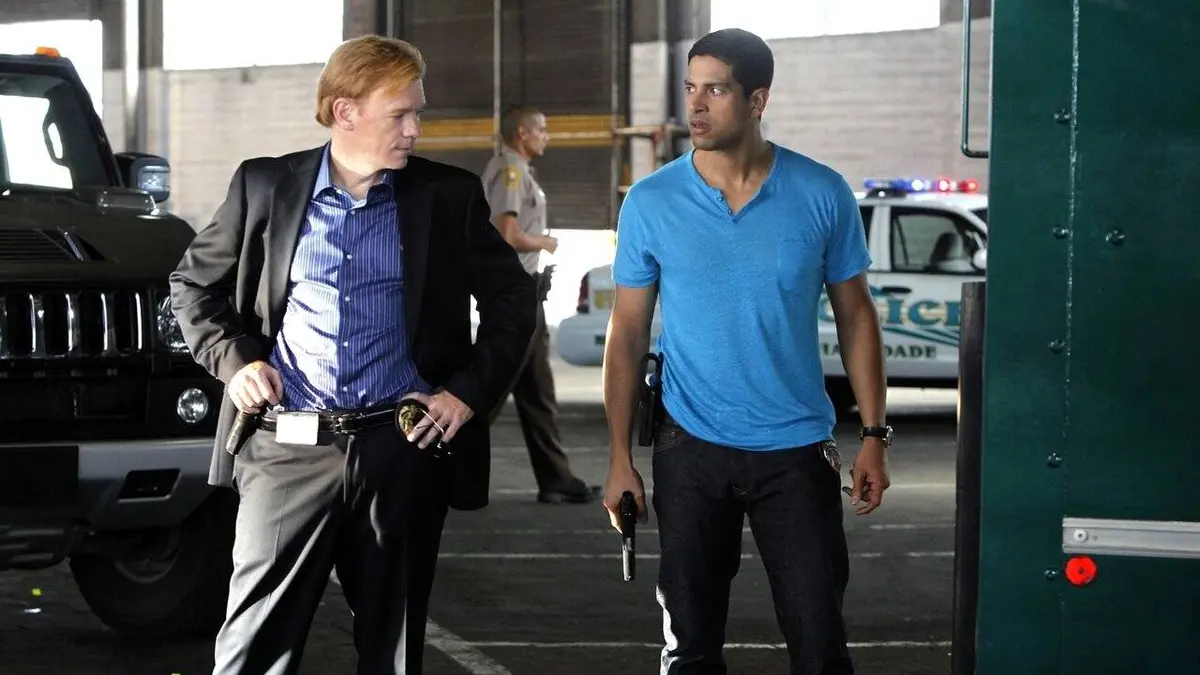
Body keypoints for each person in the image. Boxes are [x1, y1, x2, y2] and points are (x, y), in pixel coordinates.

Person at [169, 35, 537, 675]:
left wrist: (464, 395)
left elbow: (513, 299)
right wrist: (236, 362)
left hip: (403, 453)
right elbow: (192, 285)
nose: (415, 129)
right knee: (252, 651)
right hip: (286, 453)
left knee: (392, 652)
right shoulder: (265, 186)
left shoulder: (445, 196)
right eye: (401, 114)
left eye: (418, 112)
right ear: (345, 111)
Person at [600, 28, 892, 675]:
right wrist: (620, 458)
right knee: (690, 650)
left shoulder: (822, 193)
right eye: (690, 88)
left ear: (757, 100)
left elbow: (857, 318)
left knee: (821, 646)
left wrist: (874, 434)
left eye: (716, 90)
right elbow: (627, 334)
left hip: (796, 452)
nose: (695, 106)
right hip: (688, 449)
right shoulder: (650, 202)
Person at [479, 104, 602, 504]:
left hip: (526, 293)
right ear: (522, 133)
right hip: (513, 296)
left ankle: (556, 479)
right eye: (541, 129)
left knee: (537, 391)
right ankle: (437, 469)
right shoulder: (509, 171)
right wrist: (545, 242)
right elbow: (506, 233)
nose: (546, 136)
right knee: (489, 390)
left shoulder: (518, 170)